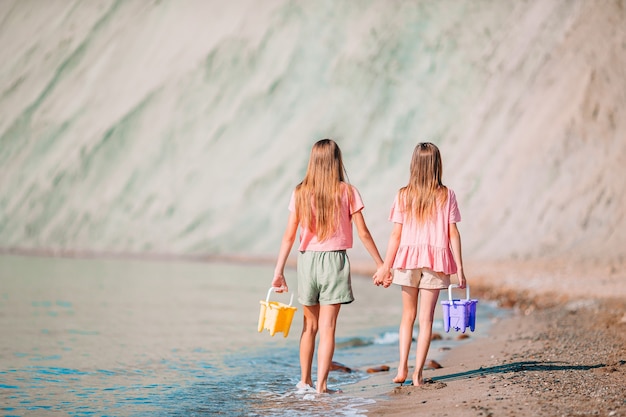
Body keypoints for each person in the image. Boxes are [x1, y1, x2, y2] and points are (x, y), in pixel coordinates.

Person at [271, 138, 385, 394]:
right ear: (337, 160)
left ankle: (305, 382)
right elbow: (363, 232)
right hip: (334, 260)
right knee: (328, 327)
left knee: (308, 327)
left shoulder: (300, 191)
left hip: (307, 260)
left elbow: (289, 235)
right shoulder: (347, 191)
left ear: (312, 160)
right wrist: (381, 263)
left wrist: (278, 272)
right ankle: (322, 386)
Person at [373, 142, 466, 386]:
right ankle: (418, 374)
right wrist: (460, 270)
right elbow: (453, 233)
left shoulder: (403, 194)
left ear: (413, 164)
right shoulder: (447, 194)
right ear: (437, 164)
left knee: (407, 316)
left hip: (407, 260)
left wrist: (386, 266)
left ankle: (402, 368)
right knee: (426, 320)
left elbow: (395, 235)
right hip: (436, 261)